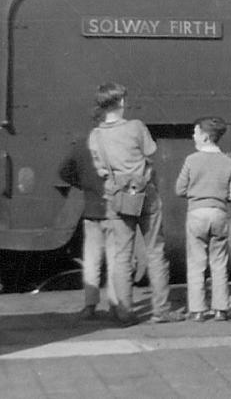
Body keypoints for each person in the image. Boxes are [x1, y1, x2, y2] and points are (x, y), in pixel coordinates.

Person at [88, 82, 182, 324]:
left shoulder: (96, 136)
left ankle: (124, 311)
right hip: (144, 194)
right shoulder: (135, 127)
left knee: (121, 255)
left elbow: (100, 170)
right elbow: (150, 150)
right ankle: (161, 310)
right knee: (155, 251)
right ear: (120, 102)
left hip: (117, 198)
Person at [175, 116, 231, 322]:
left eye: (195, 132)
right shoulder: (229, 162)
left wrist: (197, 193)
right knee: (219, 261)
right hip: (219, 213)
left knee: (196, 262)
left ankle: (197, 310)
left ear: (204, 137)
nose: (193, 136)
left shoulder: (191, 160)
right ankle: (221, 309)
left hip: (196, 214)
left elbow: (179, 189)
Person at [61, 127, 117, 319]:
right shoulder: (118, 143)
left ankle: (90, 305)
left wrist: (83, 185)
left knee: (92, 260)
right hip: (114, 211)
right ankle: (116, 305)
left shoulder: (82, 146)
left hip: (91, 210)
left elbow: (64, 171)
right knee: (115, 260)